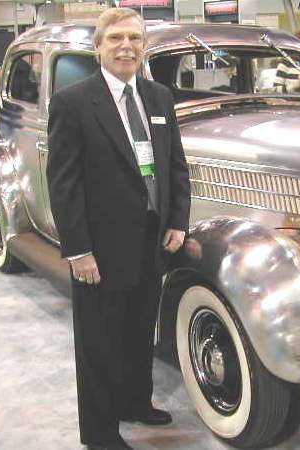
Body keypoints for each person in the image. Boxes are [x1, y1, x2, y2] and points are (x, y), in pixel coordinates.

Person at [46, 8, 190, 450]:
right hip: (100, 250)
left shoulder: (159, 96)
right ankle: (100, 432)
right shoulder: (73, 102)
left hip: (151, 241)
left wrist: (178, 222)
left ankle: (135, 402)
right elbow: (63, 182)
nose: (126, 46)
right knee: (99, 344)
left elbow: (175, 166)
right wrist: (77, 250)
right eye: (116, 39)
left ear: (144, 48)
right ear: (98, 48)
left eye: (134, 38)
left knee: (139, 328)